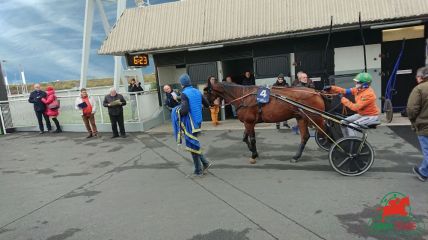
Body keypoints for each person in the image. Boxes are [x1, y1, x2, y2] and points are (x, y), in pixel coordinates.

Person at [172, 74, 211, 177]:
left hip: (190, 122)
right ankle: (205, 163)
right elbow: (207, 104)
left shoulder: (184, 93)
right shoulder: (197, 91)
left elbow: (184, 110)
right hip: (198, 121)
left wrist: (176, 112)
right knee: (194, 143)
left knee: (192, 144)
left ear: (182, 84)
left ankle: (198, 170)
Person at [407, 66, 428, 182]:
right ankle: (424, 171)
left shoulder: (419, 89)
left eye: (417, 76)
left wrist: (413, 121)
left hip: (424, 126)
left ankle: (424, 173)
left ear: (420, 77)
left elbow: (411, 109)